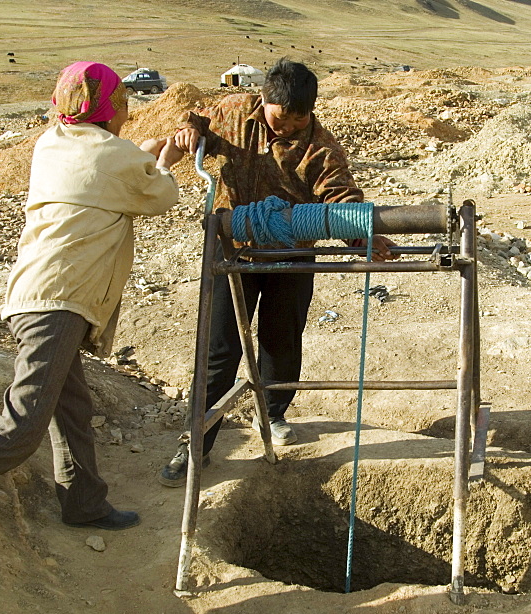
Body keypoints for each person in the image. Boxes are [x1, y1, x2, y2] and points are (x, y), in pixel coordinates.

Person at [0, 61, 183, 571]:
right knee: (19, 428)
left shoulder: (54, 143)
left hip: (36, 297)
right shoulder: (112, 155)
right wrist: (166, 160)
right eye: (123, 104)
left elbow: (115, 170)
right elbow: (161, 194)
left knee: (73, 405)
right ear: (112, 108)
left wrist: (143, 158)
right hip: (57, 305)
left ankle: (83, 502)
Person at [159, 58, 394, 487]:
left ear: (311, 111)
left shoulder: (321, 146)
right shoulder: (231, 114)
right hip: (233, 251)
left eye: (297, 120)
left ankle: (273, 413)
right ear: (265, 100)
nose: (287, 128)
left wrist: (366, 233)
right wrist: (186, 136)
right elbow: (189, 131)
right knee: (219, 349)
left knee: (281, 339)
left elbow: (340, 198)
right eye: (280, 118)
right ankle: (197, 441)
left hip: (291, 256)